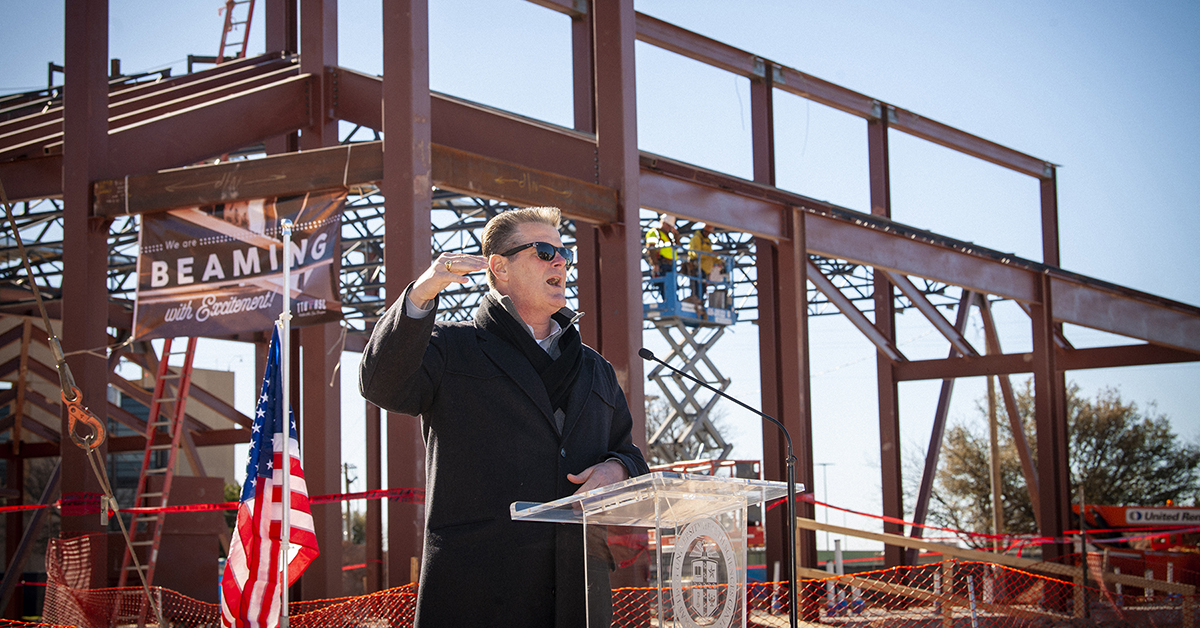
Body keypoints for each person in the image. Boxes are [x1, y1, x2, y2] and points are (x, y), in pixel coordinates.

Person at [359, 206, 650, 628]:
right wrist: (421, 295)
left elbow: (630, 453)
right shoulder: (450, 349)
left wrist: (617, 469)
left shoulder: (595, 370)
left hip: (578, 596)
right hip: (478, 594)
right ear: (500, 267)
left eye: (563, 251)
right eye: (544, 250)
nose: (560, 261)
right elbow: (381, 383)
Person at [684, 222, 717, 301]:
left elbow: (710, 254)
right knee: (697, 289)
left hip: (704, 270)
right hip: (698, 268)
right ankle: (697, 301)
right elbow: (696, 254)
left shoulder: (707, 240)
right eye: (707, 232)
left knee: (702, 289)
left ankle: (700, 301)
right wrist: (709, 254)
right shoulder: (697, 238)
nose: (707, 234)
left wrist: (718, 260)